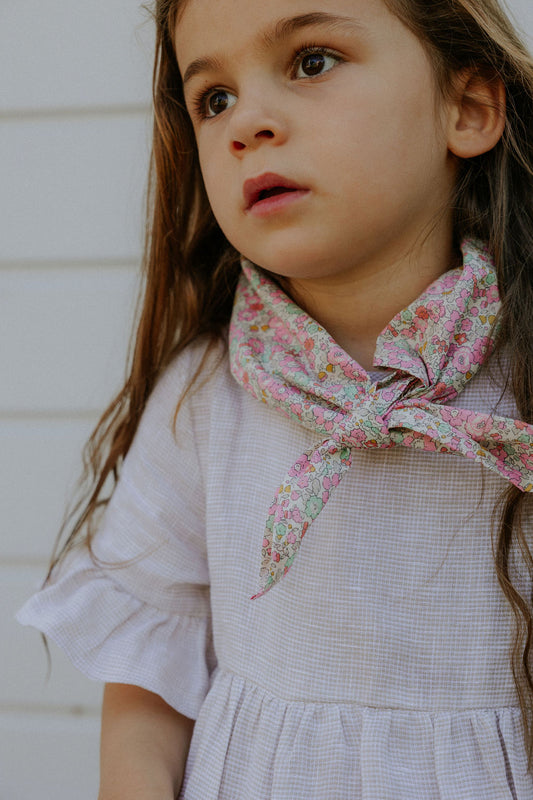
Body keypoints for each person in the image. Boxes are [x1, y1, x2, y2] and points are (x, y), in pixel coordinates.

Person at [17, 0, 533, 797]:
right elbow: (151, 674)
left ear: (465, 107)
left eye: (311, 61)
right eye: (213, 98)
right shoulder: (204, 398)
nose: (245, 123)